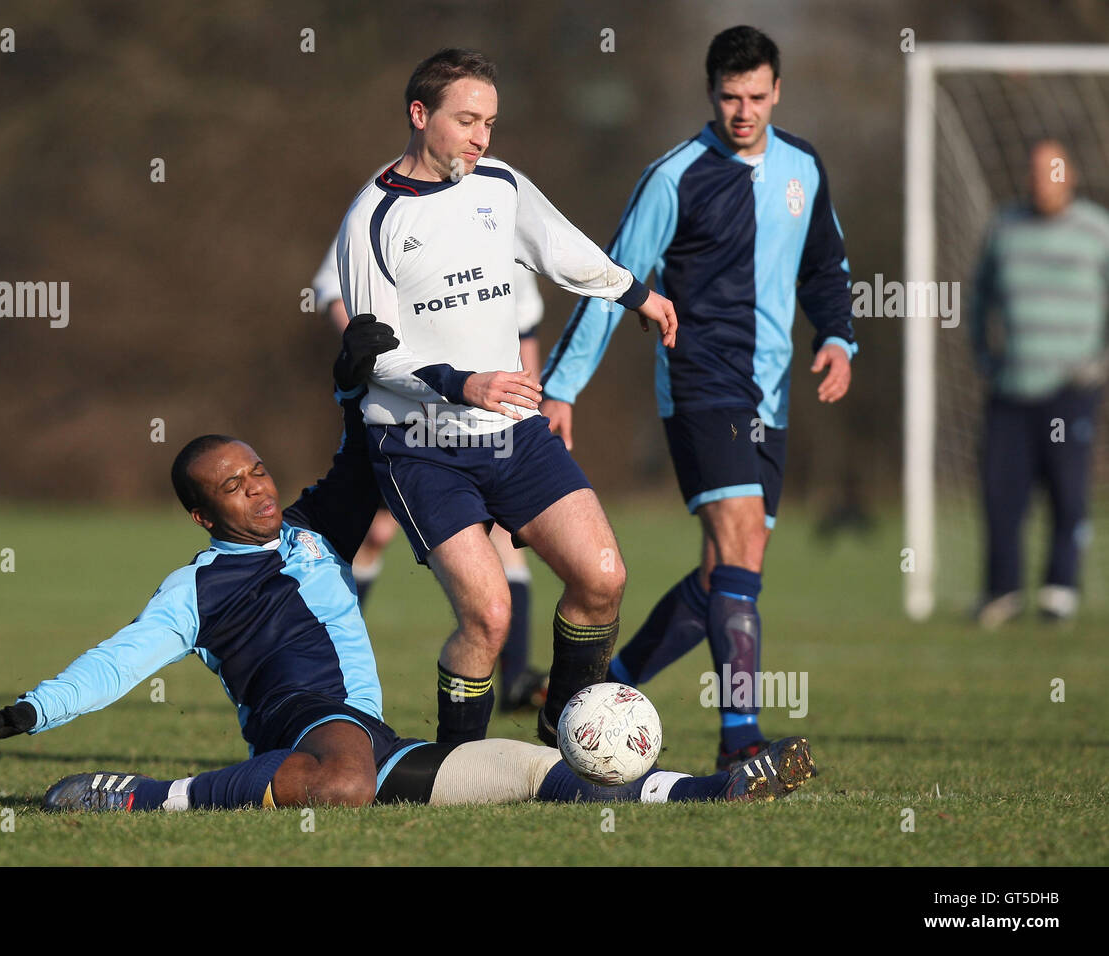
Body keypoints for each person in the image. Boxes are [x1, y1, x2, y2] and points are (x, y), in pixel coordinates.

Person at [0, 317, 815, 810]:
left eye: (257, 472)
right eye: (232, 486)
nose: (256, 490)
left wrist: (350, 385)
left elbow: (364, 457)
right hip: (306, 727)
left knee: (532, 771)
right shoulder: (196, 588)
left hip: (369, 735)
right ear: (199, 511)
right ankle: (146, 796)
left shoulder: (311, 531)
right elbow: (122, 658)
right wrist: (35, 709)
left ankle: (714, 791)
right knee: (343, 787)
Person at [336, 48, 678, 746]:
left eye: (490, 122)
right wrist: (463, 383)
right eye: (467, 120)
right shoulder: (373, 219)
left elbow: (563, 248)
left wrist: (636, 293)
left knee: (602, 578)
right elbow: (371, 359)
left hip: (512, 433)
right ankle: (458, 766)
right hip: (419, 446)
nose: (482, 137)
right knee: (488, 618)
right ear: (419, 114)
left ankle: (563, 740)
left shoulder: (498, 184)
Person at [538, 26, 857, 770]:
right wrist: (562, 387)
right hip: (700, 383)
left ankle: (588, 694)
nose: (742, 111)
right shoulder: (673, 176)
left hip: (770, 391)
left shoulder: (803, 166)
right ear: (710, 93)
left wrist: (838, 337)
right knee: (739, 545)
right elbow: (608, 279)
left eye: (755, 96)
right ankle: (739, 740)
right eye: (728, 97)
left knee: (727, 571)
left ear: (776, 91)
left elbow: (827, 265)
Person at [312, 238, 548, 710]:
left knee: (502, 532)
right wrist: (373, 359)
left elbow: (525, 327)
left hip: (486, 418)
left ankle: (516, 678)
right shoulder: (392, 206)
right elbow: (331, 290)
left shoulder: (500, 213)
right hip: (406, 414)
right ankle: (321, 671)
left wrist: (530, 405)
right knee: (374, 532)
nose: (475, 158)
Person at [971, 140, 1109, 627]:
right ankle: (1001, 591)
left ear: (1069, 175)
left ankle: (1059, 589)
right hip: (1011, 387)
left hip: (1071, 388)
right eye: (1034, 171)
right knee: (1000, 490)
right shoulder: (1004, 228)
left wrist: (1098, 363)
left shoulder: (1097, 231)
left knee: (1068, 490)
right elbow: (979, 296)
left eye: (1052, 171)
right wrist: (984, 357)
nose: (1042, 180)